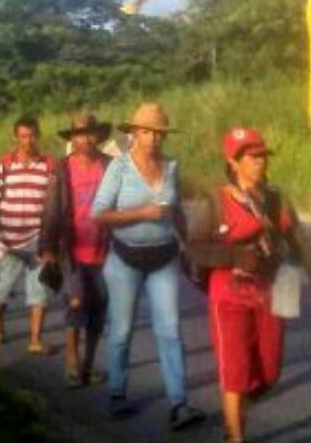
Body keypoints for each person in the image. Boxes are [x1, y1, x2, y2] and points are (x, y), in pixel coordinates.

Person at [187, 127, 311, 443]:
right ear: (233, 162)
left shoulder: (275, 198)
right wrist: (233, 256)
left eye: (262, 157)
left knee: (269, 371)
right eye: (251, 158)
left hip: (271, 290)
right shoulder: (216, 200)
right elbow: (195, 247)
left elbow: (298, 238)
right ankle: (235, 435)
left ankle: (238, 410)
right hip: (228, 294)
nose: (259, 163)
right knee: (234, 371)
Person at [92, 102, 205, 431]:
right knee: (122, 331)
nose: (154, 138)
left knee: (170, 330)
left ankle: (179, 403)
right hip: (124, 257)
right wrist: (143, 214)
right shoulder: (119, 168)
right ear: (134, 134)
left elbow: (177, 212)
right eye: (147, 132)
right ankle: (116, 393)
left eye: (159, 133)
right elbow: (98, 214)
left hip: (163, 256)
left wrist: (190, 246)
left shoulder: (171, 166)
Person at [44, 110, 113, 388]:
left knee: (98, 308)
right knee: (76, 303)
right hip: (72, 250)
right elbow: (51, 210)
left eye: (89, 133)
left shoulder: (109, 165)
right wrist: (47, 247)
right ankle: (72, 363)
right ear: (72, 138)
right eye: (79, 134)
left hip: (104, 250)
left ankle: (88, 364)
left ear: (97, 136)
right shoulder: (62, 168)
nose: (84, 139)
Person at [0, 115, 56, 354]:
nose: (28, 141)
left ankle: (35, 339)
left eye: (32, 135)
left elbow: (53, 204)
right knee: (3, 287)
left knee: (39, 291)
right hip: (8, 240)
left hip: (37, 238)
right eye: (23, 136)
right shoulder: (3, 164)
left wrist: (53, 241)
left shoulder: (48, 165)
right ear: (16, 137)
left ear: (38, 135)